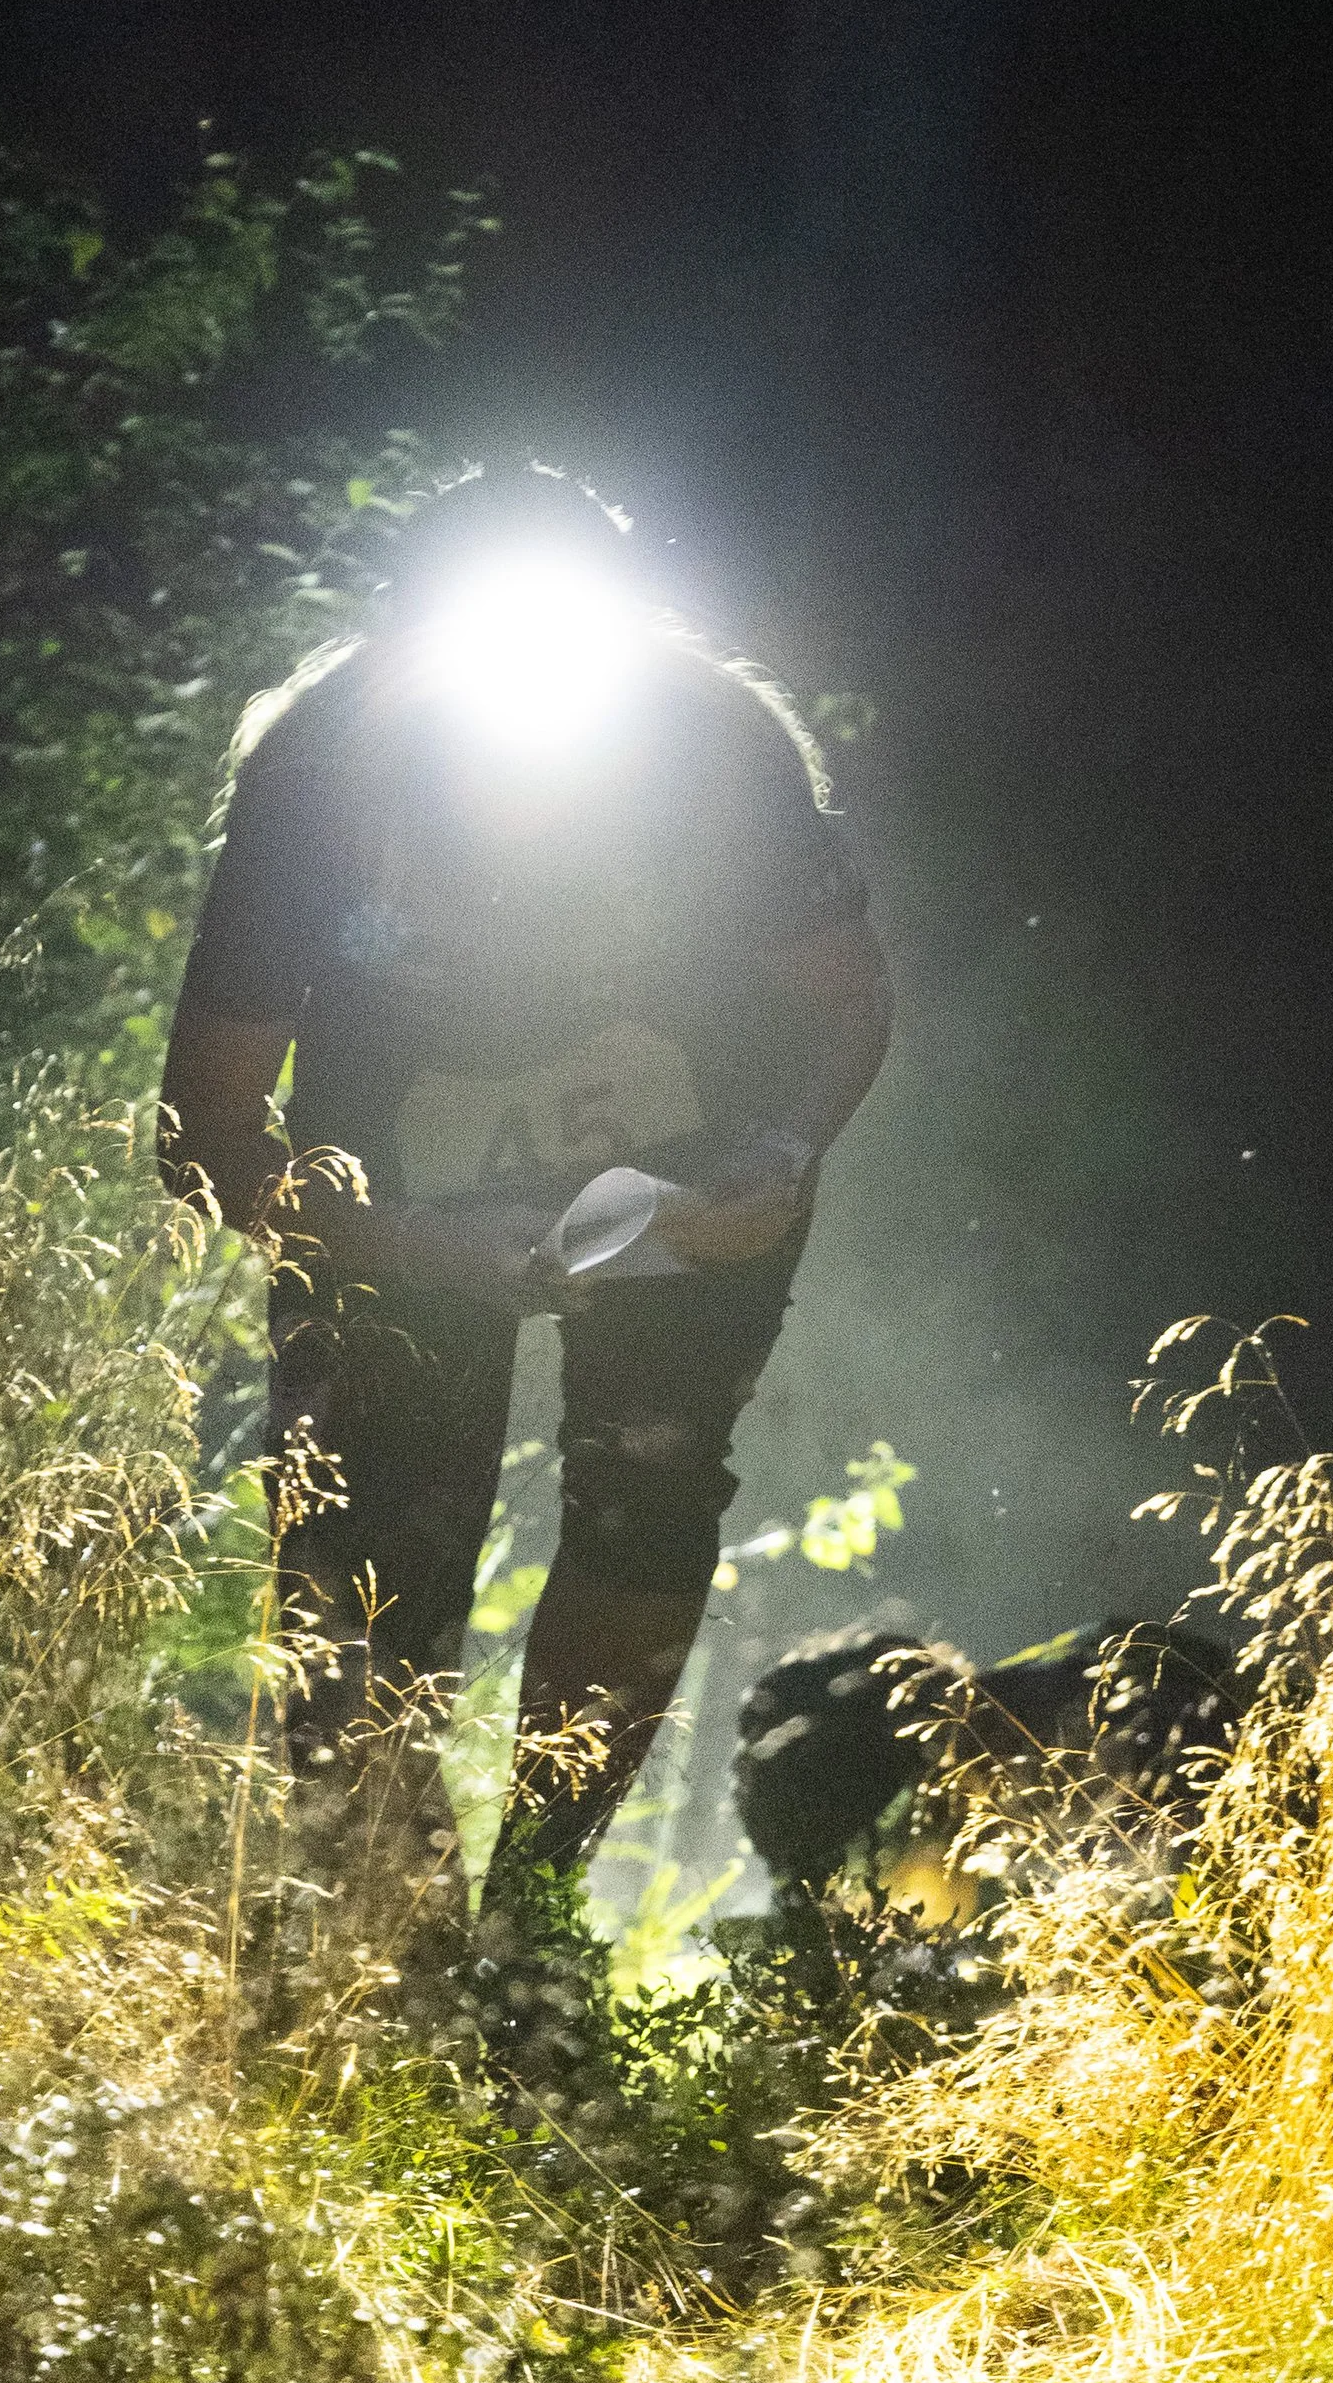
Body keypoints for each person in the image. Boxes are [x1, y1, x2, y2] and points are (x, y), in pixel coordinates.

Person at [158, 465, 891, 1954]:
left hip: (685, 1176)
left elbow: (843, 1008)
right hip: (393, 1201)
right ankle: (386, 1942)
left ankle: (535, 1924)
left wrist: (777, 1155)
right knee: (366, 1554)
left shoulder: (716, 744)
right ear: (407, 639)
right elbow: (205, 1129)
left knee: (649, 1502)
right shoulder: (324, 772)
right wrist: (410, 1246)